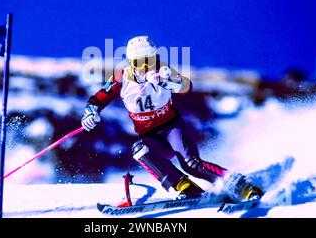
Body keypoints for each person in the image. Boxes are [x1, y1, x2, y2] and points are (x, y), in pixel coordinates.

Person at [81, 36, 263, 201]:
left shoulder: (164, 71)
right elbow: (97, 99)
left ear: (156, 58)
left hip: (172, 128)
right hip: (151, 137)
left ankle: (243, 186)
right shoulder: (122, 78)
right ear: (130, 64)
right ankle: (187, 188)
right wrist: (90, 112)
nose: (145, 68)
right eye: (138, 63)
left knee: (191, 164)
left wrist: (167, 82)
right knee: (139, 150)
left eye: (150, 61)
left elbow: (187, 86)